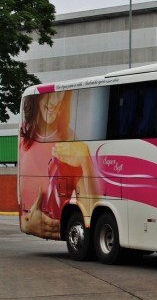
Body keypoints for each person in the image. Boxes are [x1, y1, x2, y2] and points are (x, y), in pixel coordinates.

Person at [19, 91, 98, 240]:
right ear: (36, 100)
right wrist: (27, 223)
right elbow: (25, 217)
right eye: (49, 96)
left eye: (60, 96)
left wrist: (85, 160)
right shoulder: (23, 136)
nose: (54, 101)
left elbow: (91, 217)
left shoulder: (72, 145)